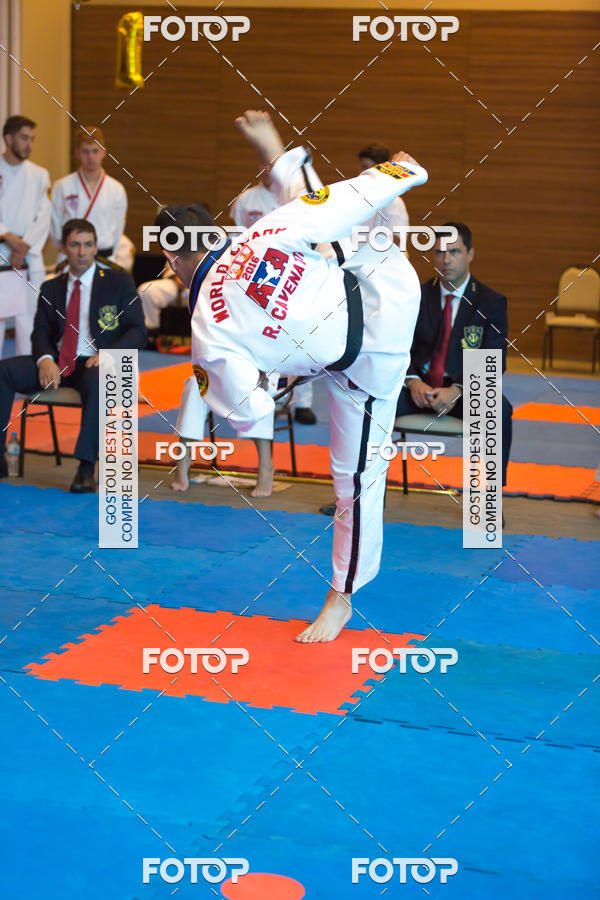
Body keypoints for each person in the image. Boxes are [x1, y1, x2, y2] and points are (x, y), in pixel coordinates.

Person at [154, 109, 428, 643]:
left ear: (170, 257)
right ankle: (284, 161)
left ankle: (341, 598)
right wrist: (397, 175)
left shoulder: (207, 332)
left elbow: (249, 414)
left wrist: (275, 377)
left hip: (368, 362)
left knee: (355, 480)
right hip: (389, 277)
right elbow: (336, 204)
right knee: (320, 224)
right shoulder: (260, 232)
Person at [0, 219, 146, 491]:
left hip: (94, 361)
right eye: (75, 245)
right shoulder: (51, 288)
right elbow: (40, 333)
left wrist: (110, 354)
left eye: (88, 245)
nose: (82, 252)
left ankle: (85, 468)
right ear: (63, 248)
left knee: (98, 380)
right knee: (4, 371)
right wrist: (44, 359)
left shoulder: (118, 282)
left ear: (95, 247)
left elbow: (138, 332)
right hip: (57, 362)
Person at [396, 222, 513, 487]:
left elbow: (494, 359)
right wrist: (412, 380)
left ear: (470, 254)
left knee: (498, 409)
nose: (446, 259)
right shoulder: (416, 296)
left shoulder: (490, 302)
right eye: (439, 252)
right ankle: (357, 493)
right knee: (364, 403)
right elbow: (397, 346)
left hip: (463, 393)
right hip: (416, 389)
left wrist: (459, 389)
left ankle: (489, 494)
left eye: (455, 252)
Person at [0, 115, 51, 357]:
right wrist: (8, 237)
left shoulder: (39, 174)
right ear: (8, 138)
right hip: (2, 249)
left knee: (28, 318)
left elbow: (44, 214)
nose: (29, 144)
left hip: (29, 254)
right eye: (23, 138)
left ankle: (26, 375)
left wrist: (23, 246)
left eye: (32, 139)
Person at [50, 126, 127, 266]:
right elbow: (54, 223)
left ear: (103, 152)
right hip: (70, 258)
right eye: (85, 151)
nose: (90, 157)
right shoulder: (62, 186)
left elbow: (118, 229)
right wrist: (64, 245)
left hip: (103, 257)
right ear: (77, 153)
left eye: (95, 151)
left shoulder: (116, 189)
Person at [358, 142, 409, 247]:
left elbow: (394, 243)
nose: (368, 172)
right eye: (364, 167)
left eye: (374, 168)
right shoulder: (355, 199)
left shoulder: (394, 202)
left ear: (384, 169)